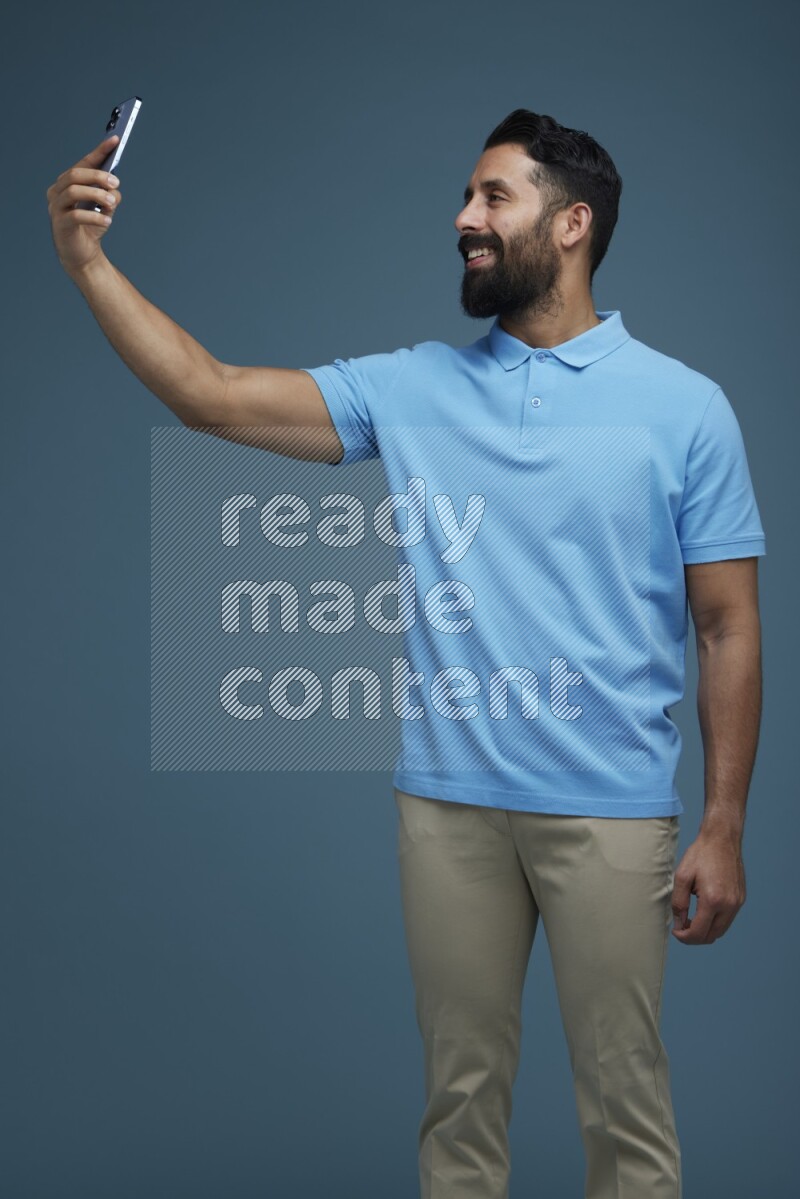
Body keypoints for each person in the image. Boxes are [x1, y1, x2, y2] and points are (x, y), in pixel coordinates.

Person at [47, 107, 765, 1199]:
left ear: (571, 224)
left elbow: (725, 623)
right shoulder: (412, 385)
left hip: (613, 813)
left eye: (492, 198)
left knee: (625, 1111)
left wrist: (720, 821)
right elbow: (210, 394)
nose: (463, 218)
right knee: (458, 1106)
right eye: (465, 197)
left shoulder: (685, 409)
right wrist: (84, 260)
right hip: (447, 808)